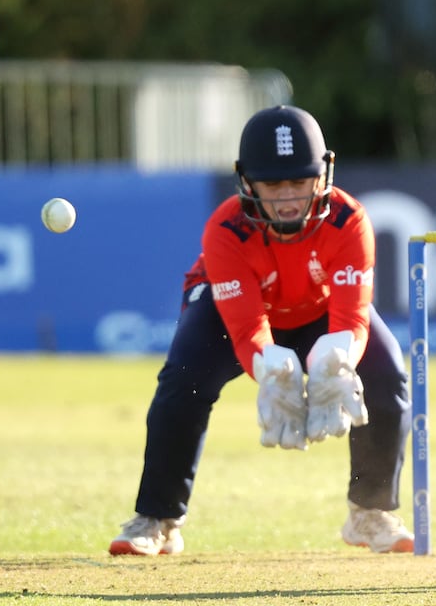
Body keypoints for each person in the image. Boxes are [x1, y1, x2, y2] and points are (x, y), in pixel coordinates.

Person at [108, 105, 414, 556]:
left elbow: (351, 317)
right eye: (273, 184)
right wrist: (269, 371)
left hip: (320, 309)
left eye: (298, 182)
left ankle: (369, 513)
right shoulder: (225, 229)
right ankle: (158, 519)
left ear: (322, 174)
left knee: (387, 376)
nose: (287, 198)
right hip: (232, 308)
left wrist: (339, 359)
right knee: (184, 382)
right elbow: (247, 325)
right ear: (248, 181)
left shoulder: (349, 221)